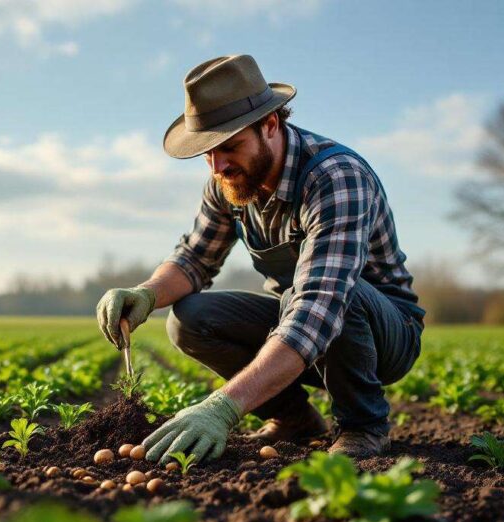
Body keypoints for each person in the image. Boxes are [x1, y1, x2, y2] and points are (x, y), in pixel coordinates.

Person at [96, 55, 425, 463]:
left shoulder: (335, 177)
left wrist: (224, 407)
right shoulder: (228, 181)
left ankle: (364, 425)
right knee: (189, 318)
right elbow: (195, 259)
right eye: (208, 153)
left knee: (337, 294)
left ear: (270, 125)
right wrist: (146, 293)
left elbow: (319, 305)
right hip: (297, 320)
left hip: (380, 334)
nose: (218, 166)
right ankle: (294, 419)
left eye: (230, 147)